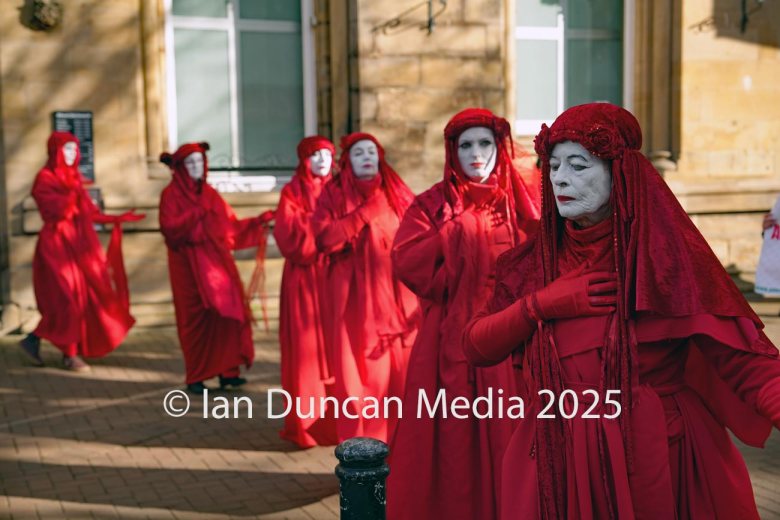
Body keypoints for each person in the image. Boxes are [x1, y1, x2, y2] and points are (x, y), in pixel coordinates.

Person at [464, 103, 780, 519]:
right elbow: (477, 346)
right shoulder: (531, 264)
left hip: (651, 452)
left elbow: (747, 366)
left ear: (621, 173)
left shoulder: (667, 260)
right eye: (554, 165)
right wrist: (539, 305)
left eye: (578, 165)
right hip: (555, 452)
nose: (560, 177)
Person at [387, 108, 540, 519]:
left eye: (485, 143)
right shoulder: (432, 205)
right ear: (452, 151)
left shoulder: (523, 201)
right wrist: (458, 230)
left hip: (515, 342)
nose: (476, 154)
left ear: (499, 147)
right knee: (453, 437)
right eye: (466, 145)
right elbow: (407, 261)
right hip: (448, 340)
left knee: (514, 433)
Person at [312, 132, 419, 443]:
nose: (367, 157)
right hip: (353, 306)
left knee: (400, 378)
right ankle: (361, 450)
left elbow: (419, 236)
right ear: (347, 161)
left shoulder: (397, 192)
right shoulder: (333, 194)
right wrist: (363, 214)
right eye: (358, 153)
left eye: (372, 151)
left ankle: (400, 451)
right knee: (359, 378)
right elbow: (324, 239)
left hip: (399, 303)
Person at [20, 131, 143, 371]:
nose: (71, 154)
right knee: (67, 300)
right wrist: (72, 193)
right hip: (56, 245)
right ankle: (68, 353)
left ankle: (38, 340)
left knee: (84, 298)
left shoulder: (74, 178)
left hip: (79, 246)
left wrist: (117, 218)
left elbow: (89, 212)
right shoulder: (44, 178)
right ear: (54, 151)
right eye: (65, 149)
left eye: (73, 149)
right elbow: (57, 211)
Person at [158, 142, 273, 394]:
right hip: (189, 269)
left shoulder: (210, 194)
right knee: (195, 320)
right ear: (180, 168)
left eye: (201, 162)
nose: (197, 167)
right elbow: (170, 230)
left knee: (228, 316)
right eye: (191, 163)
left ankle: (228, 372)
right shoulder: (171, 195)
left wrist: (257, 221)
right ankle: (197, 376)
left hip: (218, 266)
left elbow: (229, 227)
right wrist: (195, 214)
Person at [274, 135, 338, 447]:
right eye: (315, 155)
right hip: (304, 280)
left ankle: (338, 419)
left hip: (337, 278)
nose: (323, 160)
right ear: (304, 160)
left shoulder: (340, 189)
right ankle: (306, 422)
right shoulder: (291, 192)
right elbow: (289, 237)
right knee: (306, 350)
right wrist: (323, 231)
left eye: (327, 154)